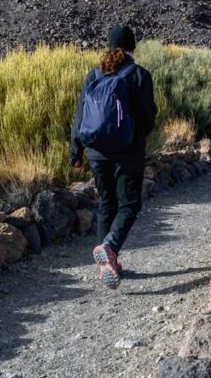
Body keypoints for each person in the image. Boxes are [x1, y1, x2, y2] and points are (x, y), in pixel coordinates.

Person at [71, 25, 158, 289]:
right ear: (133, 47)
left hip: (96, 151)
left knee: (106, 203)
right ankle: (110, 247)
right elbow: (148, 116)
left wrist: (76, 150)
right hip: (127, 151)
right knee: (130, 204)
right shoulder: (139, 74)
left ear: (109, 46)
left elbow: (80, 115)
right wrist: (137, 138)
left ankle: (109, 263)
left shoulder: (95, 74)